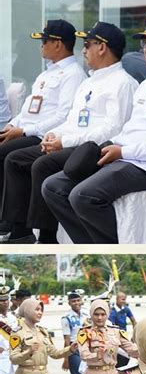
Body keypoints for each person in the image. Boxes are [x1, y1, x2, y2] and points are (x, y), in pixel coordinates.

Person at [42, 15, 146, 244]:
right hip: (126, 156)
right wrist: (111, 147)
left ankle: (110, 252)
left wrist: (123, 152)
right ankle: (88, 246)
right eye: (145, 43)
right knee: (54, 186)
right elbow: (131, 130)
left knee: (84, 195)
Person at [2, 21, 137, 244]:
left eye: (88, 44)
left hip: (96, 149)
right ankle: (21, 230)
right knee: (18, 159)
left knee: (42, 164)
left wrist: (64, 141)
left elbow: (112, 129)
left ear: (102, 48)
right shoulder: (91, 81)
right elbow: (72, 119)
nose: (83, 50)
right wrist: (54, 135)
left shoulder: (123, 83)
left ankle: (45, 237)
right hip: (73, 143)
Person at [0, 20, 86, 242]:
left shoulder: (73, 74)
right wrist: (13, 124)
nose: (41, 46)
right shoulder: (46, 74)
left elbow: (63, 116)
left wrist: (24, 131)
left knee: (10, 157)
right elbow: (29, 108)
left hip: (44, 135)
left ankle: (17, 226)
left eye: (45, 41)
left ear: (58, 44)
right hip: (27, 129)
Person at [60, 290, 89, 374]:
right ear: (69, 303)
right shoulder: (66, 318)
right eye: (73, 301)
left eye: (78, 300)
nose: (76, 303)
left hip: (86, 349)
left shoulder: (86, 314)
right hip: (74, 350)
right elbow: (66, 340)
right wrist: (65, 358)